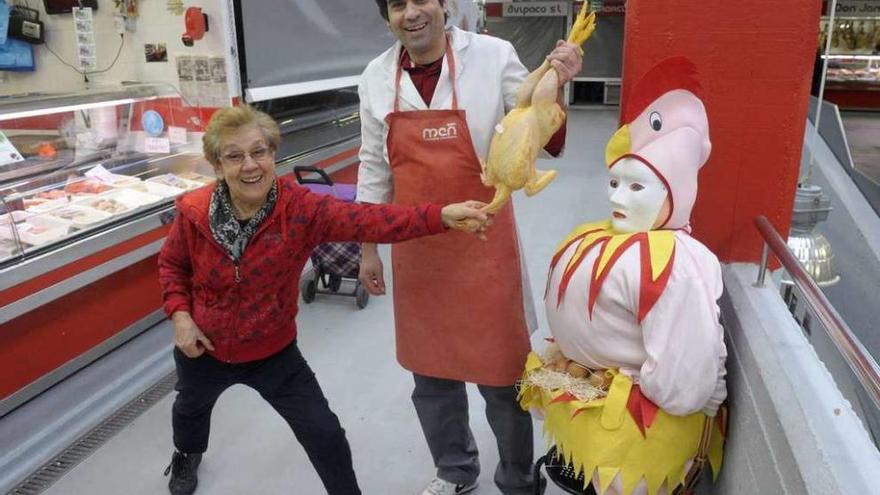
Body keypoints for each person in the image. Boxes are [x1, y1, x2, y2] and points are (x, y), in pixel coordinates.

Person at [158, 105, 490, 495]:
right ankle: (186, 455)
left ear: (272, 154)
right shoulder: (195, 213)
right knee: (190, 410)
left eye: (259, 152)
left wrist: (441, 216)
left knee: (325, 434)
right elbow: (172, 265)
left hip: (273, 352)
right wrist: (181, 317)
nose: (250, 166)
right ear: (217, 165)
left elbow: (373, 220)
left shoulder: (301, 209)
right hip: (205, 347)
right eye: (235, 156)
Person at [357, 1, 584, 494]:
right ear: (387, 16)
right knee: (431, 377)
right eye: (398, 4)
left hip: (484, 244)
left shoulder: (493, 55)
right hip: (417, 250)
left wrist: (557, 83)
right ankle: (454, 471)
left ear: (445, 6)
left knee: (502, 379)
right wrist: (369, 247)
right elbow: (374, 165)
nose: (411, 13)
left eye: (422, 1)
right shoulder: (375, 77)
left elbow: (536, 124)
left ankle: (519, 479)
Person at [519, 58, 728, 495]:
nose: (617, 197)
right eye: (615, 183)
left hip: (635, 437)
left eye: (636, 188)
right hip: (593, 425)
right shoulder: (594, 237)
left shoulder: (676, 263)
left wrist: (626, 381)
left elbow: (683, 384)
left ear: (678, 194)